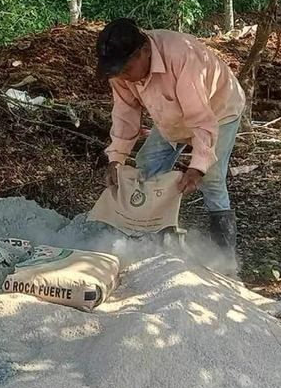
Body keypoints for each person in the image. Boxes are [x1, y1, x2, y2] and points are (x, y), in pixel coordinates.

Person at [96, 17, 245, 262]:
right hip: (171, 115)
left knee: (213, 178)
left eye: (126, 69)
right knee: (147, 166)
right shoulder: (120, 70)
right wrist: (116, 158)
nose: (122, 76)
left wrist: (197, 168)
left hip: (218, 111)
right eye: (117, 71)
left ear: (144, 51)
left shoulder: (181, 57)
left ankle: (224, 261)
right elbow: (125, 113)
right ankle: (150, 239)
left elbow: (201, 120)